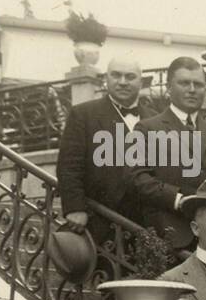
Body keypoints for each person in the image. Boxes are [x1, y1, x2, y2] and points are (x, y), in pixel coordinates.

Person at [132, 57, 206, 249]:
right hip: (167, 236)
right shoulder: (146, 128)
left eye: (198, 84)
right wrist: (178, 200)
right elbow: (138, 178)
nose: (192, 89)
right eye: (184, 83)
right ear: (169, 88)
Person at [58, 55, 145, 244]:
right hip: (99, 223)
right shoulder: (83, 114)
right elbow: (69, 165)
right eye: (116, 75)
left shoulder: (154, 118)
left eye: (130, 77)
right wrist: (74, 207)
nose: (122, 82)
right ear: (106, 78)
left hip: (144, 225)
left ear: (141, 81)